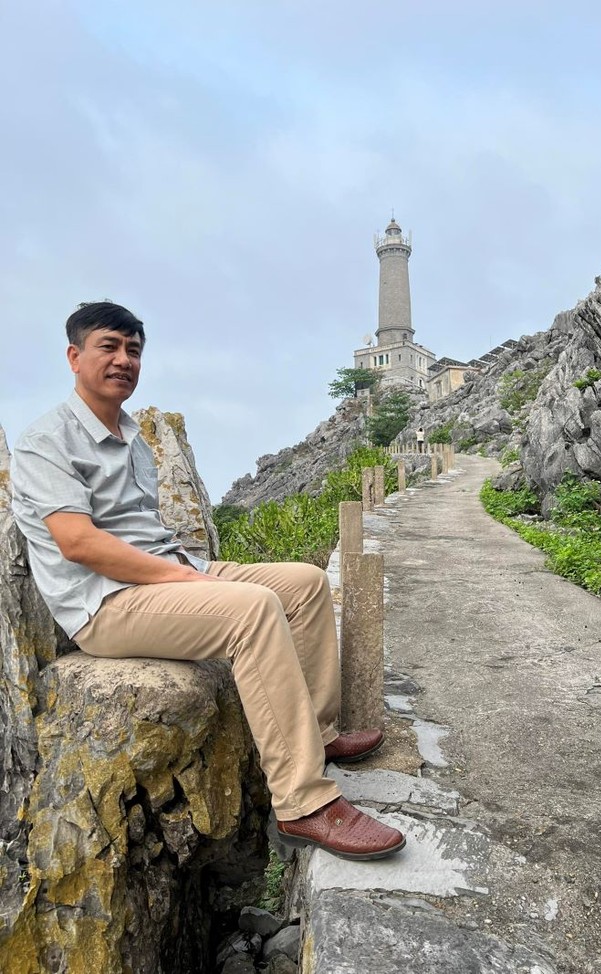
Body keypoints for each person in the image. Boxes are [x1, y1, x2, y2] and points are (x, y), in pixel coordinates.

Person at [10, 301, 405, 862]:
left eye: (133, 350)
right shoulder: (46, 440)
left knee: (305, 582)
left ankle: (316, 734)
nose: (124, 360)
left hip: (171, 573)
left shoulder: (130, 435)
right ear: (74, 357)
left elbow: (145, 529)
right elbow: (80, 543)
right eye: (109, 347)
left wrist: (185, 572)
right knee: (253, 611)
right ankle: (303, 801)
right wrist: (178, 579)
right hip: (107, 604)